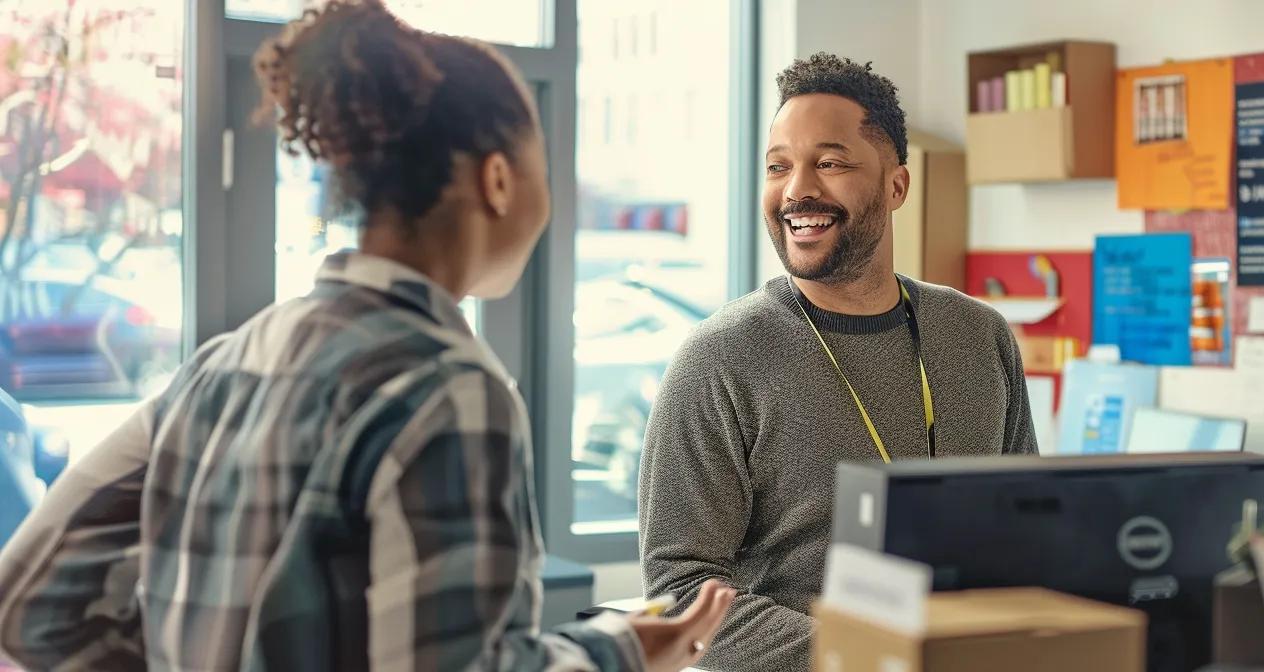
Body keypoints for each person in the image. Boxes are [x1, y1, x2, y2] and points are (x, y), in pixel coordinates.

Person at [0, 2, 733, 670]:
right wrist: (621, 653)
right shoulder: (452, 388)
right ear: (500, 180)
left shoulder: (223, 365)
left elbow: (30, 599)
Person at [638, 53, 1039, 672]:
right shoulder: (720, 358)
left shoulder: (977, 334)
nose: (797, 188)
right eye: (779, 167)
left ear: (897, 185)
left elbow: (1027, 522)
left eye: (829, 163)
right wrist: (874, 659)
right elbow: (679, 587)